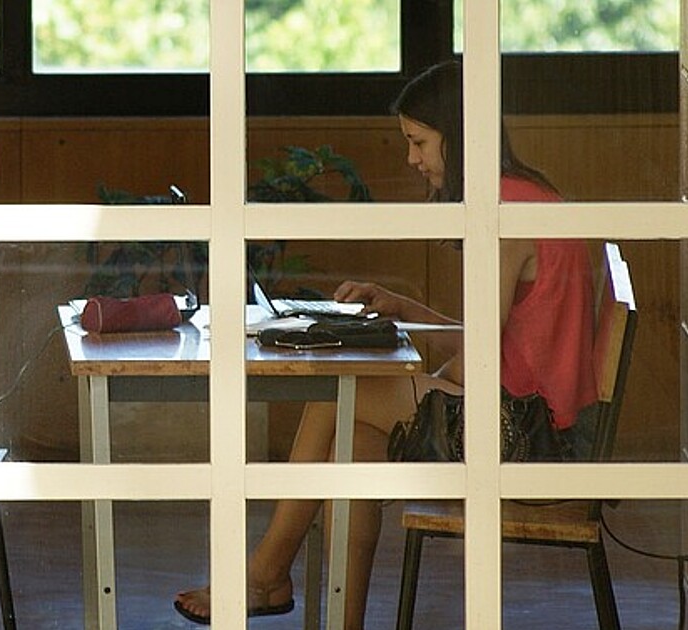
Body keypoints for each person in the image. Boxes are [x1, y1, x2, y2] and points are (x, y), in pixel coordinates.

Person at [173, 60, 598, 627]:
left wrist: (422, 373)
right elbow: (502, 340)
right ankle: (314, 605)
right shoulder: (527, 194)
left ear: (458, 135)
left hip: (525, 440)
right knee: (353, 441)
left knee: (336, 393)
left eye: (419, 141)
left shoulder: (503, 212)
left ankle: (266, 575)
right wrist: (406, 313)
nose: (412, 158)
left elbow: (475, 367)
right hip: (540, 426)